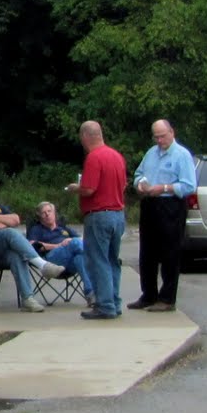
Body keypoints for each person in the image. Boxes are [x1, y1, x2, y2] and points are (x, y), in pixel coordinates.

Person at [0, 172, 65, 312]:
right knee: (9, 233)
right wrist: (3, 225)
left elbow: (15, 219)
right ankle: (42, 265)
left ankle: (28, 299)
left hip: (0, 253)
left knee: (16, 255)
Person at [129, 118, 197, 312]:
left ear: (171, 133)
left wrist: (165, 188)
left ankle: (167, 298)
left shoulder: (182, 155)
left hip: (170, 205)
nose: (159, 141)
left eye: (162, 136)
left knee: (169, 252)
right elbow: (138, 174)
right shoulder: (151, 153)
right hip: (150, 203)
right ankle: (148, 294)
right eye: (156, 137)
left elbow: (189, 186)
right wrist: (140, 183)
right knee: (147, 252)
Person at [72, 120, 128, 320]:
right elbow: (124, 185)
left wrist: (75, 188)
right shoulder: (116, 156)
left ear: (85, 137)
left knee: (98, 260)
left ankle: (104, 305)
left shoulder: (94, 157)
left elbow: (89, 189)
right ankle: (114, 302)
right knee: (112, 260)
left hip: (99, 215)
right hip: (118, 214)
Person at [27, 201, 93, 306]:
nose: (47, 214)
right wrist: (58, 245)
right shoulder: (37, 229)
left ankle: (91, 294)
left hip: (69, 264)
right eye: (44, 213)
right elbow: (31, 244)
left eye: (49, 211)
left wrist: (70, 240)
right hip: (51, 261)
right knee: (75, 243)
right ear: (39, 216)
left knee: (79, 258)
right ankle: (96, 260)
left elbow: (82, 239)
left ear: (54, 213)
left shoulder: (62, 228)